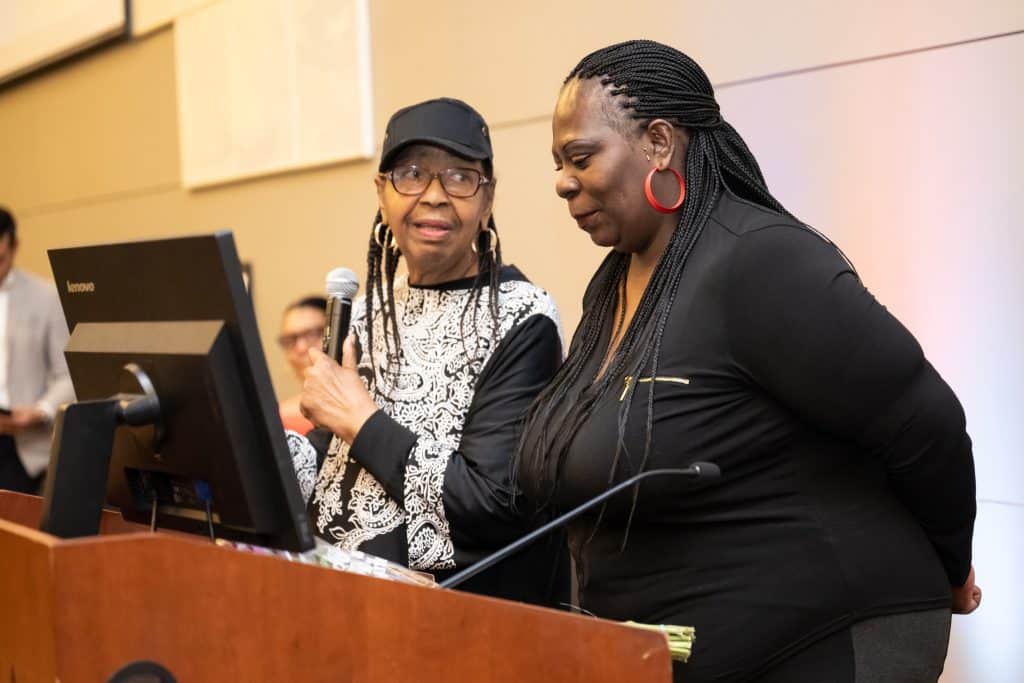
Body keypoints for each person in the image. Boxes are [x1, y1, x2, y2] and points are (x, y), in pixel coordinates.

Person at [514, 40, 980, 682]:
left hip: (828, 637)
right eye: (559, 163)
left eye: (581, 157)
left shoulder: (760, 262)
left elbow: (926, 424)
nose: (563, 181)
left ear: (658, 143)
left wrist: (952, 565)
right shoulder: (615, 284)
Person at [289, 98, 567, 605]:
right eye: (412, 174)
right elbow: (332, 469)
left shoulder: (522, 317)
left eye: (460, 177)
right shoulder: (366, 310)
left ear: (487, 200)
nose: (435, 196)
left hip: (440, 615)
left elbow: (489, 502)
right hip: (329, 596)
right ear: (382, 193)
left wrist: (360, 421)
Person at [0, 207, 75, 493]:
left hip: (25, 449)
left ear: (14, 245)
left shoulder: (47, 297)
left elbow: (68, 375)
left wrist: (41, 411)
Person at [277, 295, 327, 434]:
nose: (301, 348)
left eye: (313, 334)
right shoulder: (277, 418)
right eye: (291, 339)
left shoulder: (363, 407)